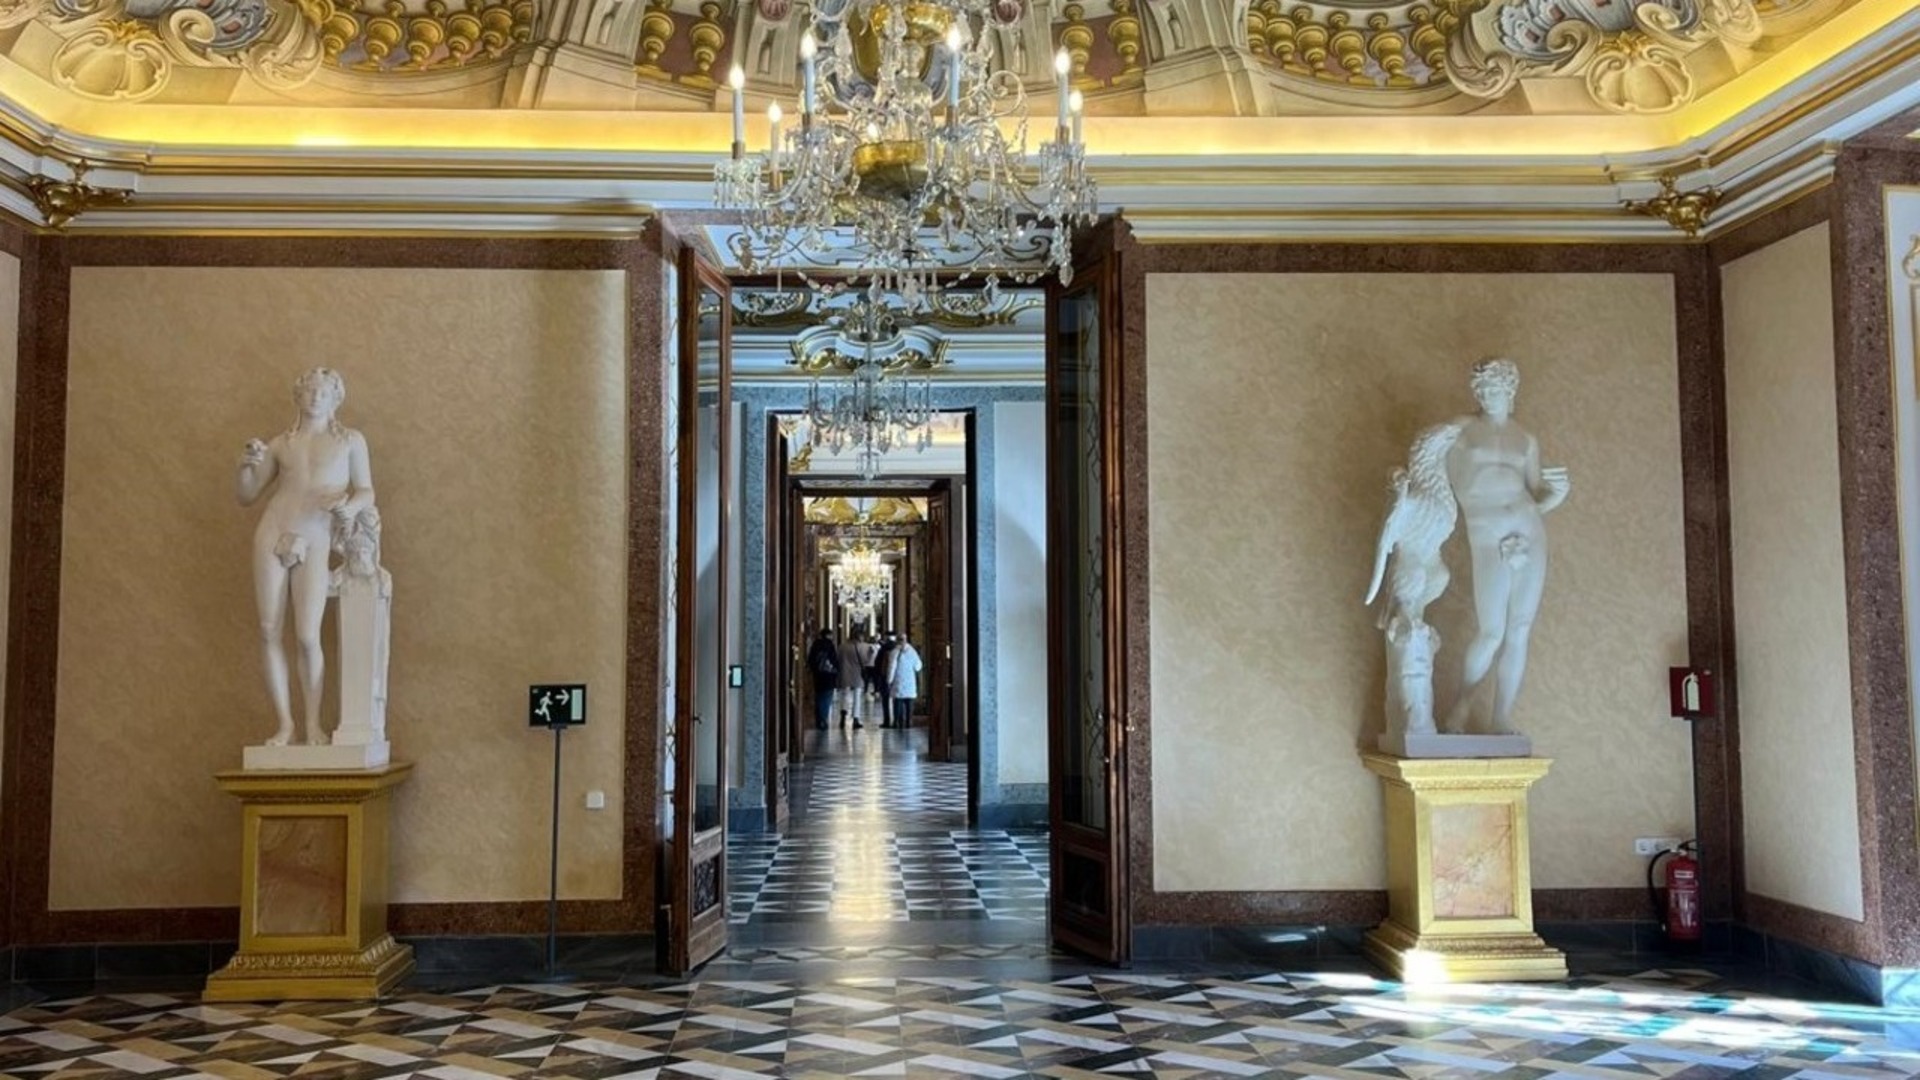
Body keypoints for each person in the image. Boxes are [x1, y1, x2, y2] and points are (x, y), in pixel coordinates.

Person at [236, 367, 374, 748]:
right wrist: (245, 464)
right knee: (268, 629)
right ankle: (285, 725)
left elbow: (366, 490)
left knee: (307, 635)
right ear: (297, 397)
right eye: (309, 391)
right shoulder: (281, 444)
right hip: (273, 528)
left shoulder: (350, 442)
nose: (315, 397)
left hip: (315, 534)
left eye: (322, 392)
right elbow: (247, 495)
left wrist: (349, 506)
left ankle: (313, 725)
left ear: (335, 398)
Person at [1441, 358, 1570, 734]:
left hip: (1528, 527)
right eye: (1483, 390)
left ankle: (1501, 717)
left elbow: (1535, 495)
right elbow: (1430, 466)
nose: (1489, 396)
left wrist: (1557, 495)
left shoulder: (1526, 439)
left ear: (1511, 392)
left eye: (1497, 390)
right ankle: (1460, 707)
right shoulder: (1459, 429)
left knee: (1520, 628)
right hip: (1487, 530)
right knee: (1491, 631)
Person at [886, 633, 923, 731]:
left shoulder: (894, 652)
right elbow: (918, 666)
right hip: (910, 682)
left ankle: (898, 722)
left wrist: (889, 680)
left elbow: (891, 668)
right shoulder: (912, 651)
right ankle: (908, 722)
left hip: (898, 681)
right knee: (909, 703)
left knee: (898, 702)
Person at [806, 628, 840, 731]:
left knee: (819, 697)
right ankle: (823, 720)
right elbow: (834, 660)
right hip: (828, 676)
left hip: (818, 675)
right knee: (826, 698)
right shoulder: (830, 645)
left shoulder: (815, 645)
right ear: (829, 635)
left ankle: (818, 719)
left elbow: (811, 660)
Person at [838, 629, 866, 729]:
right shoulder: (861, 647)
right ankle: (856, 719)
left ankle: (842, 717)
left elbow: (837, 659)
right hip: (857, 674)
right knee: (857, 697)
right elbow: (865, 660)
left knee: (844, 695)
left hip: (844, 674)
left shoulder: (842, 646)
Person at [873, 632, 899, 728]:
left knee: (886, 699)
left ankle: (887, 721)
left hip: (884, 676)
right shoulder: (898, 648)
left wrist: (877, 676)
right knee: (897, 699)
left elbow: (877, 662)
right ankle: (897, 720)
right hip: (897, 676)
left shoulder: (883, 648)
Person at [858, 631, 880, 702]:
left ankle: (866, 690)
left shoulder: (867, 647)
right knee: (875, 679)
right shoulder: (878, 646)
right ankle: (876, 690)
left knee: (867, 679)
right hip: (874, 665)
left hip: (868, 664)